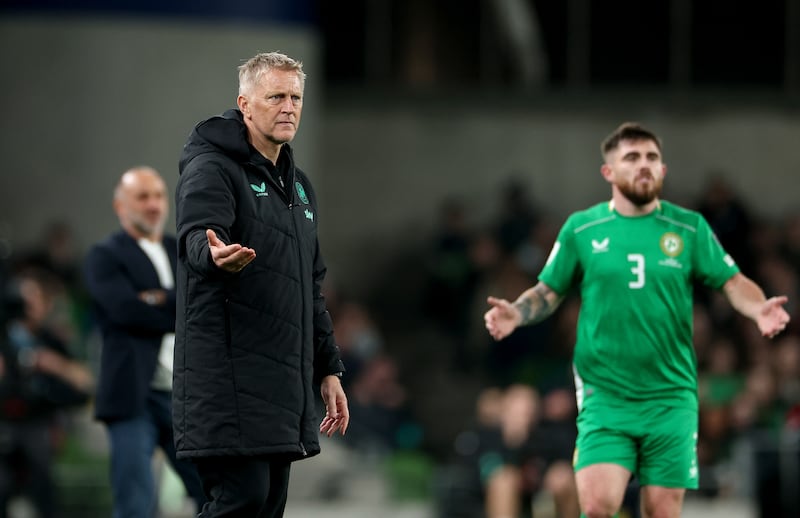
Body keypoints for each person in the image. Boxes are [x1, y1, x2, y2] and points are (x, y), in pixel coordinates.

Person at [483, 122, 791, 518]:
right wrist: (517, 313)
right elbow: (547, 292)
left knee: (662, 511)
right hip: (606, 394)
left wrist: (758, 307)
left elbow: (733, 282)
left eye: (651, 158)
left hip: (670, 395)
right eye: (632, 158)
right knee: (597, 506)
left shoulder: (689, 228)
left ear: (662, 170)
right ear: (608, 172)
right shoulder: (582, 228)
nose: (643, 165)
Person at [174, 51, 349, 517]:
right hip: (227, 383)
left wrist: (327, 369)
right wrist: (212, 257)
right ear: (245, 104)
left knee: (267, 507)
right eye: (276, 96)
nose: (289, 106)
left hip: (280, 386)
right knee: (240, 501)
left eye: (295, 97)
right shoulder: (211, 168)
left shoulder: (298, 187)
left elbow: (310, 286)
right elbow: (196, 237)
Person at [84, 167, 205, 517]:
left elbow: (205, 306)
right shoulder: (105, 254)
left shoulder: (179, 249)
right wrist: (178, 304)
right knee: (135, 500)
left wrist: (155, 298)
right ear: (120, 206)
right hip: (132, 394)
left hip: (183, 395)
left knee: (212, 491)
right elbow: (124, 310)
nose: (153, 204)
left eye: (158, 195)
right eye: (142, 196)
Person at [0, 268, 93, 518]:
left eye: (35, 300)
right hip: (5, 422)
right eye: (23, 300)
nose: (29, 307)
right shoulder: (4, 339)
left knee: (44, 489)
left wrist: (55, 365)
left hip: (39, 424)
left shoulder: (51, 340)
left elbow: (85, 382)